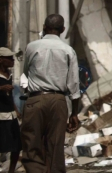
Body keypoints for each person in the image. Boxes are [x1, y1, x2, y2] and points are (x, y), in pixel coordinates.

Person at [21, 14, 80, 173]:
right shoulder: (69, 50)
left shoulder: (31, 47)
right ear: (62, 29)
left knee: (32, 145)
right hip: (58, 101)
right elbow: (74, 85)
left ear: (44, 27)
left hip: (36, 99)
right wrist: (74, 113)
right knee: (55, 147)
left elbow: (25, 74)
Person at [0, 47, 21, 173]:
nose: (12, 60)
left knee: (16, 146)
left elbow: (10, 96)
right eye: (9, 58)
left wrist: (16, 110)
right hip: (0, 115)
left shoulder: (9, 74)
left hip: (10, 114)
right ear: (1, 60)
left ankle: (11, 171)